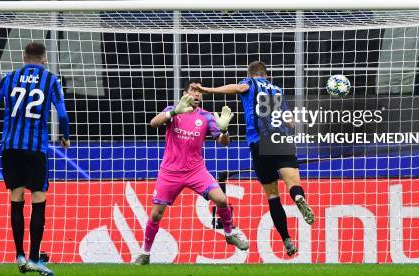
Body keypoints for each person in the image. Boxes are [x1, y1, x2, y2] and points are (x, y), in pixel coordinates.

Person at [193, 61, 315, 256]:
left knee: (273, 196)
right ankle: (299, 197)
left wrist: (207, 89)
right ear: (265, 75)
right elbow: (290, 122)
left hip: (259, 142)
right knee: (293, 183)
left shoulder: (250, 83)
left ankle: (287, 240)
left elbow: (239, 87)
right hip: (281, 139)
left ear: (251, 75)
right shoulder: (277, 89)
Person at [133, 81, 249, 265]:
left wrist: (225, 130)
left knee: (221, 199)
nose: (197, 95)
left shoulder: (206, 116)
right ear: (185, 93)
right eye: (193, 91)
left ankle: (229, 234)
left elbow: (223, 142)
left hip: (196, 171)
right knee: (156, 214)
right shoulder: (174, 110)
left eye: (199, 92)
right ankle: (145, 253)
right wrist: (173, 112)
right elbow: (153, 123)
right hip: (170, 172)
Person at [0, 42, 70, 275]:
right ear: (44, 59)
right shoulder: (51, 80)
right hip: (35, 149)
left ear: (23, 57)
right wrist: (65, 136)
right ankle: (34, 258)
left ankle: (20, 255)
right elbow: (62, 114)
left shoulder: (9, 77)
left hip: (10, 147)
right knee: (38, 199)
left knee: (16, 198)